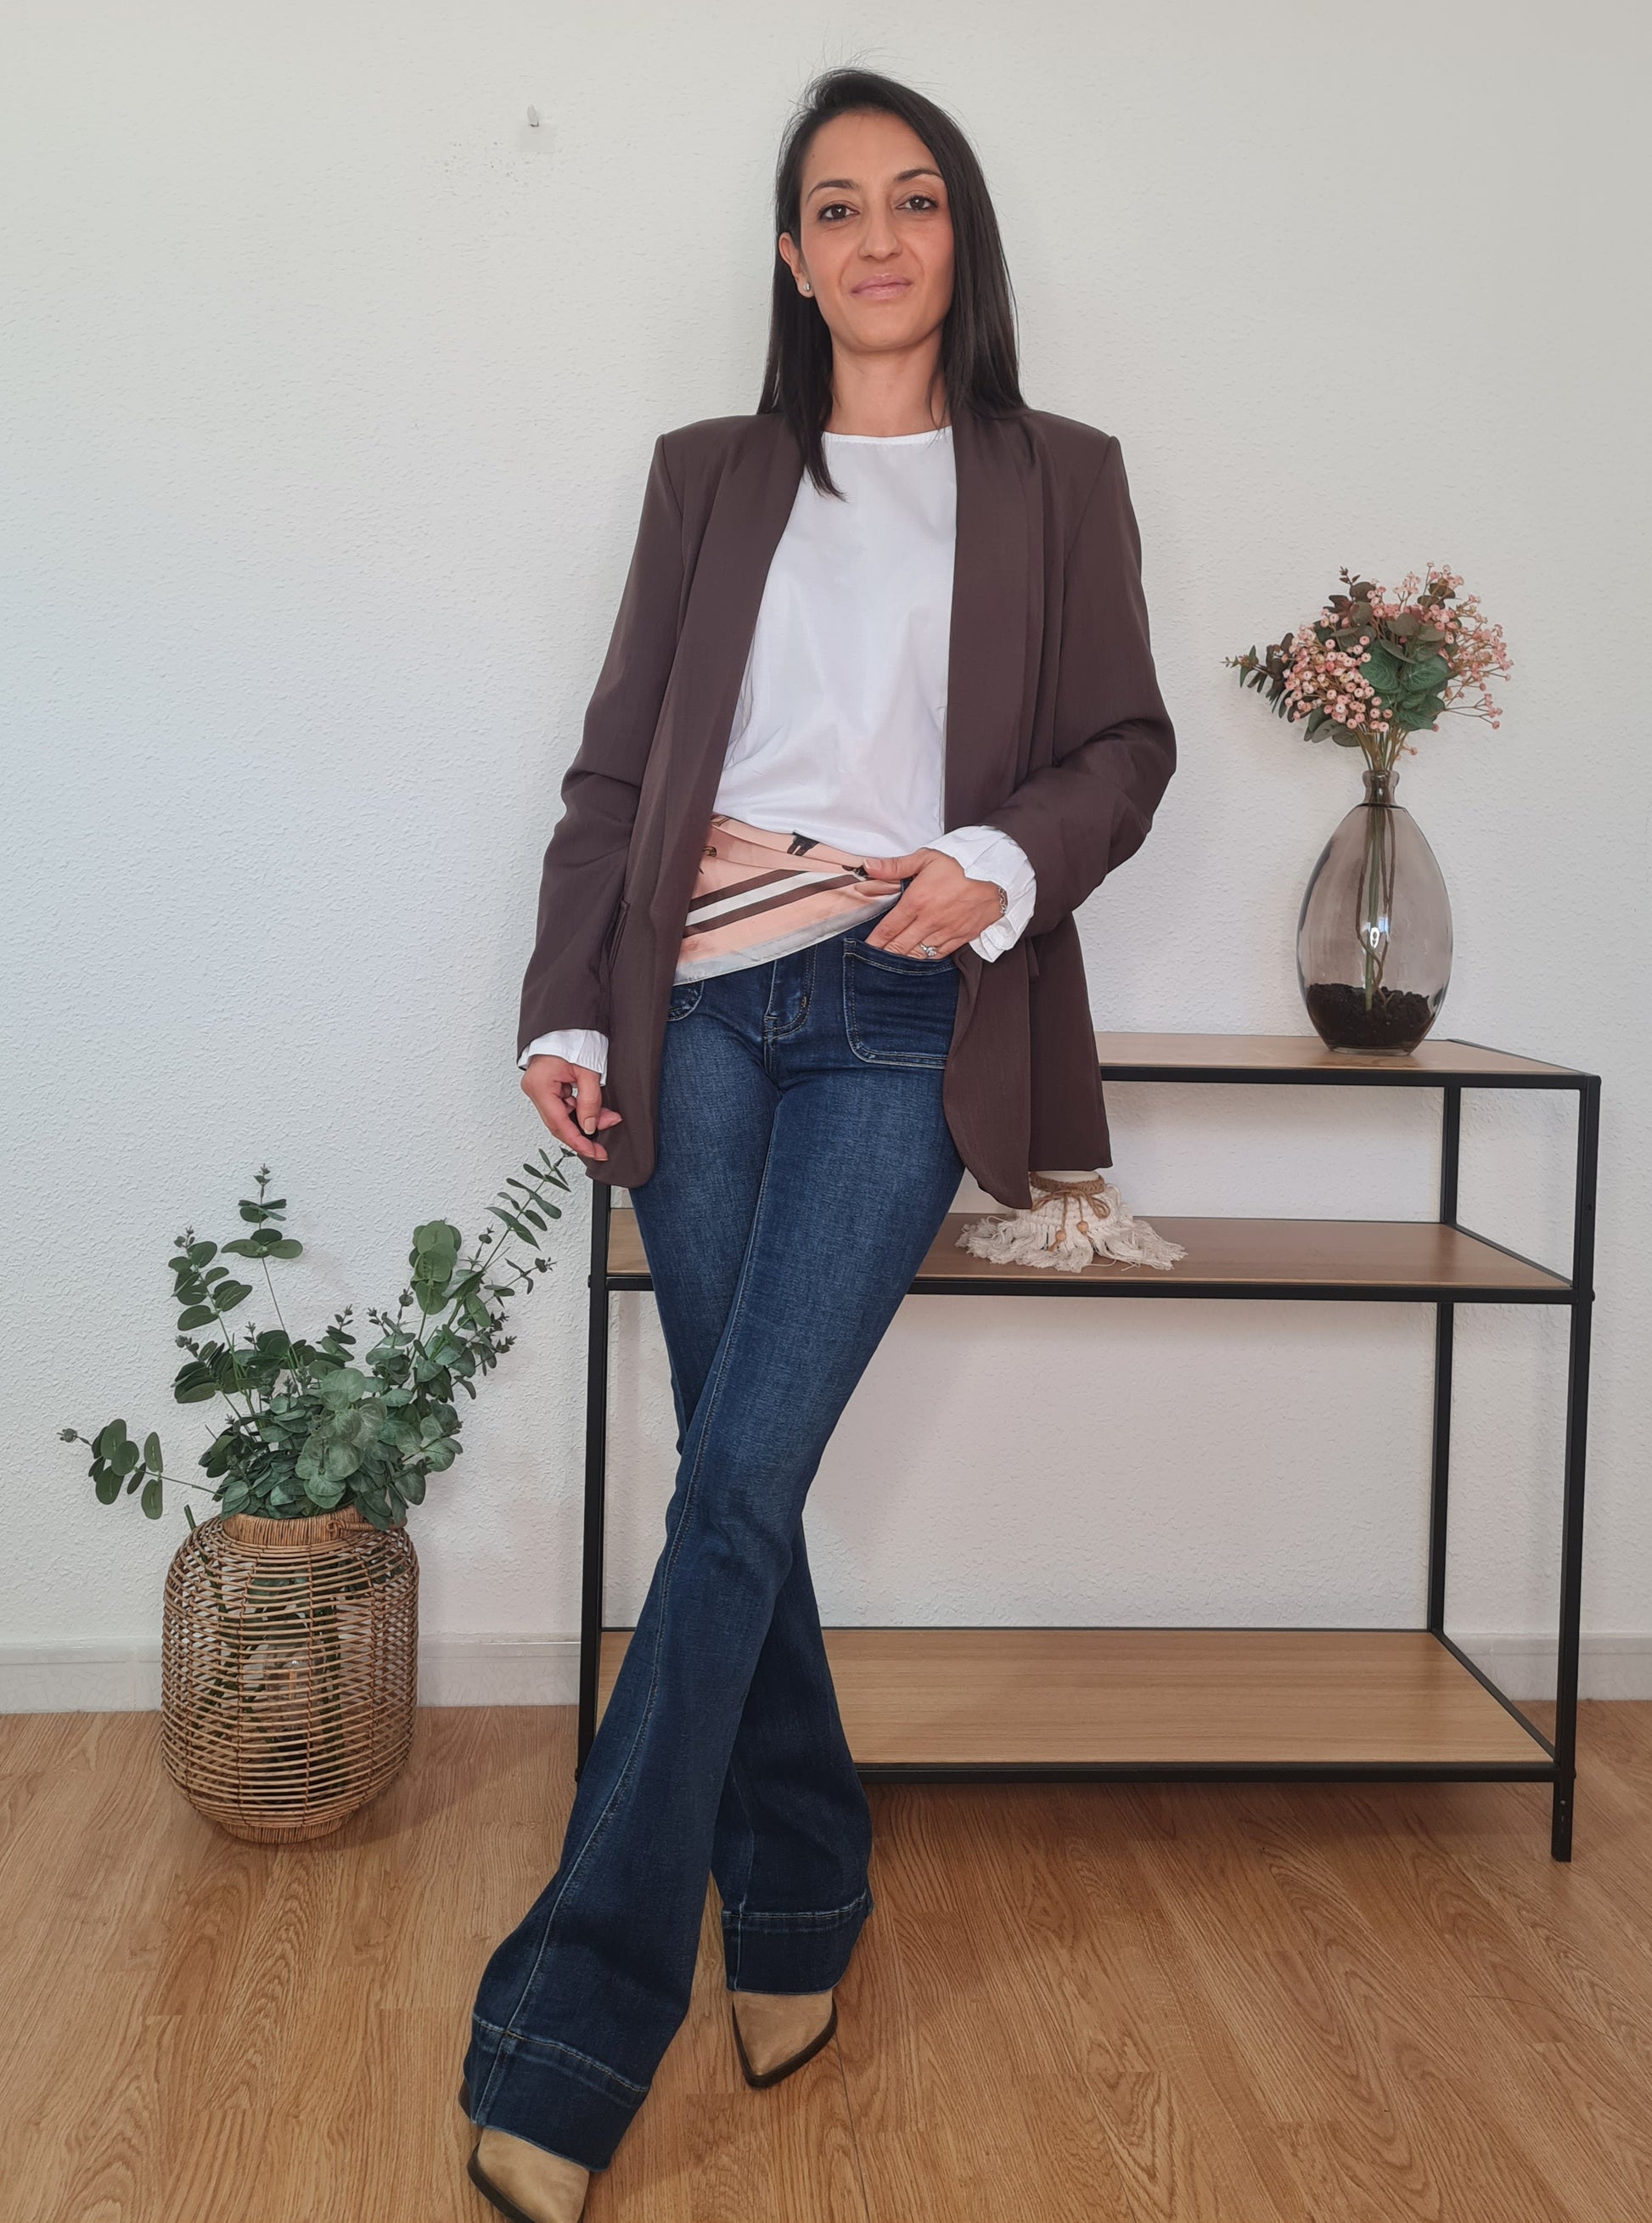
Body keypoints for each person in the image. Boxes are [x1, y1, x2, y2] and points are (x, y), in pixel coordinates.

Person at [458, 64, 1177, 2223]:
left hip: (901, 1008)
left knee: (731, 1483)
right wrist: (565, 1001)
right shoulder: (709, 476)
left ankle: (574, 2024)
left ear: (960, 238)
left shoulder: (1059, 478)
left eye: (914, 200)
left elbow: (1125, 743)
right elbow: (615, 772)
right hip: (694, 1000)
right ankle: (793, 1892)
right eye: (837, 207)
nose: (877, 237)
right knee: (738, 1487)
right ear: (790, 256)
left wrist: (997, 858)